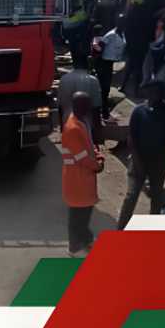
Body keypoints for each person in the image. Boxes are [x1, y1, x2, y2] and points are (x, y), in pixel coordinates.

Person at [117, 74, 165, 230]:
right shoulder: (139, 111)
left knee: (156, 195)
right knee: (131, 196)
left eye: (157, 92)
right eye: (150, 91)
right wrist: (137, 161)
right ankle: (120, 229)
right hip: (139, 158)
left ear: (161, 94)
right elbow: (131, 138)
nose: (153, 95)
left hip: (159, 159)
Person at [62, 91, 104, 257]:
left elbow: (89, 145)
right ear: (77, 106)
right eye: (84, 105)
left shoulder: (80, 122)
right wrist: (97, 165)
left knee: (83, 214)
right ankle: (75, 247)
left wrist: (99, 156)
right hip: (77, 179)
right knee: (78, 217)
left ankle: (84, 242)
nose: (87, 108)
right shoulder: (73, 128)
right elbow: (81, 156)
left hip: (82, 178)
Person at [58, 52, 103, 145]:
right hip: (86, 126)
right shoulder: (92, 80)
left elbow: (60, 106)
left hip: (67, 122)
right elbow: (96, 108)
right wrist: (98, 131)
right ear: (88, 64)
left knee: (71, 151)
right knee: (86, 152)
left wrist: (62, 126)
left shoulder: (64, 79)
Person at [95, 23, 126, 117]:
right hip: (104, 62)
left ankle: (103, 108)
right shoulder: (111, 34)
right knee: (104, 87)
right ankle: (103, 111)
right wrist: (97, 59)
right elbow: (99, 46)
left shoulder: (122, 33)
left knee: (106, 87)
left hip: (110, 62)